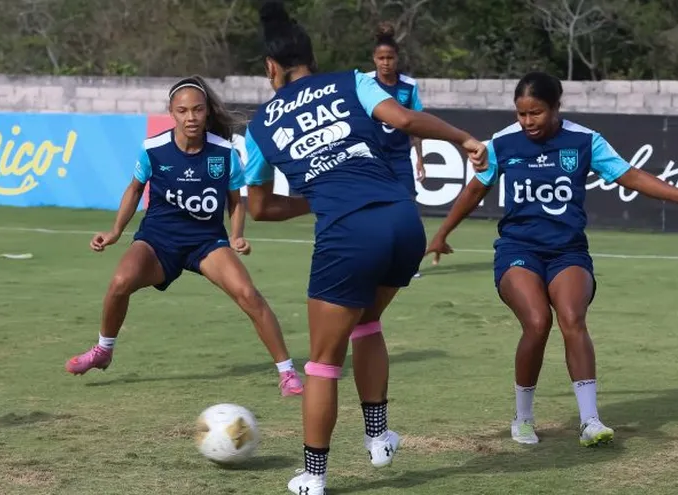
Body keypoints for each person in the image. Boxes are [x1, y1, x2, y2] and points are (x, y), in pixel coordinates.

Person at [243, 3, 487, 494]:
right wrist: (464, 139)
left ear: (271, 68)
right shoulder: (352, 81)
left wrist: (315, 198)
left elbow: (261, 209)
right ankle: (378, 439)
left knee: (322, 363)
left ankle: (313, 476)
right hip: (402, 223)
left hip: (348, 233)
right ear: (310, 57)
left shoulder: (259, 125)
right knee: (369, 322)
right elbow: (403, 120)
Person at [426, 71, 678, 448]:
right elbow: (475, 189)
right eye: (520, 114)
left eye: (535, 113)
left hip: (567, 251)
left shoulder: (585, 141)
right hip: (518, 249)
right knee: (537, 322)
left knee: (572, 317)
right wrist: (441, 234)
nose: (527, 122)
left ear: (556, 107)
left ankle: (590, 421)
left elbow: (630, 176)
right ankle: (523, 418)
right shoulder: (502, 144)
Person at [64, 75, 304, 398]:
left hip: (206, 243)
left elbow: (235, 202)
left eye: (197, 110)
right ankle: (103, 350)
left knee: (249, 294)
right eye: (183, 111)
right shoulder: (153, 149)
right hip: (157, 241)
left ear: (207, 112)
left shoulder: (224, 153)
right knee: (120, 282)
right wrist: (115, 232)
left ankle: (287, 373)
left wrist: (236, 236)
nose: (191, 118)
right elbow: (135, 189)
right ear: (171, 112)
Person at [366, 21, 426, 279]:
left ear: (397, 59)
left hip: (400, 158)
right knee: (372, 209)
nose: (385, 62)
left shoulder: (408, 86)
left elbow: (416, 124)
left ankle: (408, 263)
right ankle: (373, 259)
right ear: (374, 59)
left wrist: (420, 159)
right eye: (381, 58)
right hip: (372, 158)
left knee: (407, 209)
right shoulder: (363, 83)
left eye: (390, 57)